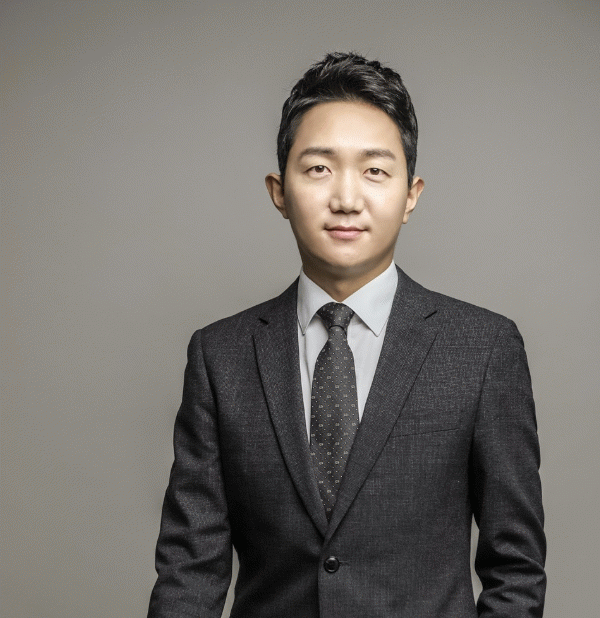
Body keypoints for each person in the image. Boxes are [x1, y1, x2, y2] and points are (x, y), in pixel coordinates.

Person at [147, 52, 546, 618]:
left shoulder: (481, 349)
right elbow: (189, 573)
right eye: (318, 168)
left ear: (411, 194)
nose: (346, 199)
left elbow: (516, 569)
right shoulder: (221, 356)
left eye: (375, 171)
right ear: (279, 191)